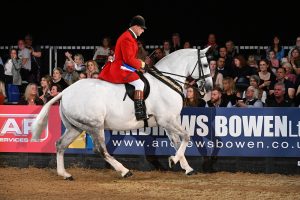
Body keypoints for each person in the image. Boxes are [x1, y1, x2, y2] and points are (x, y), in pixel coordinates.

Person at [99, 15, 150, 121]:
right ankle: (139, 112)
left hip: (124, 66)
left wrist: (139, 66)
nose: (142, 31)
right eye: (141, 28)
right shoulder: (127, 38)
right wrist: (142, 65)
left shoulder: (129, 36)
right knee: (139, 83)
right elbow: (128, 59)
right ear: (136, 26)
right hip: (120, 68)